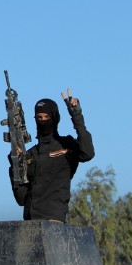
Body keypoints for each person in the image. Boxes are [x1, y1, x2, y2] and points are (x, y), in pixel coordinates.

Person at [9, 89, 95, 222]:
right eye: (39, 118)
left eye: (47, 117)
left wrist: (76, 115)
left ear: (55, 118)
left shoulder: (66, 145)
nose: (43, 121)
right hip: (29, 225)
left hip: (54, 223)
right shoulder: (30, 154)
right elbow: (21, 199)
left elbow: (88, 153)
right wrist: (15, 165)